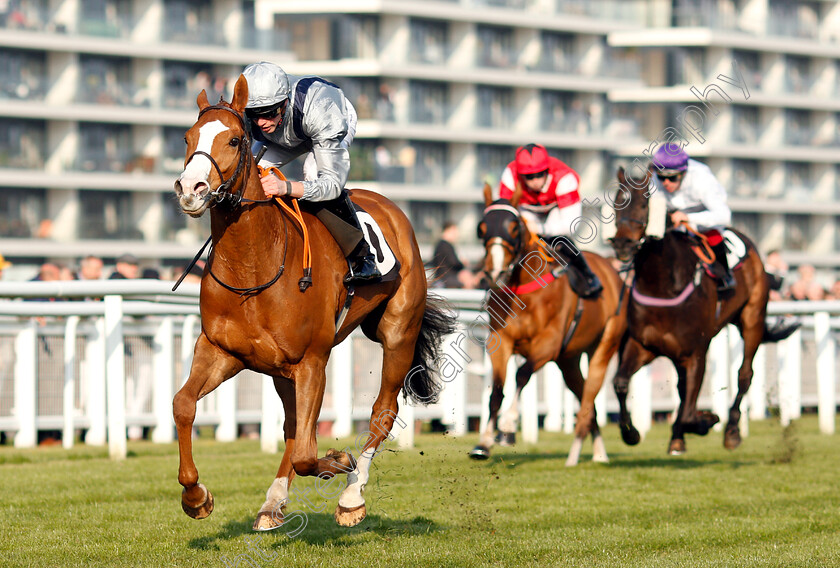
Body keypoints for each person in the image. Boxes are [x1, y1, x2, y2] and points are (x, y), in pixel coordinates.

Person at [241, 61, 380, 285]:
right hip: (286, 131)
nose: (261, 122)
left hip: (328, 121)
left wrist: (285, 187)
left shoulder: (321, 111)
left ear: (284, 102)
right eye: (254, 115)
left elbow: (332, 184)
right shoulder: (252, 114)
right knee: (251, 173)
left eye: (268, 113)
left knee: (312, 171)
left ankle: (362, 255)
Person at [497, 143, 602, 298]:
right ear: (520, 175)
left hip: (556, 211)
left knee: (559, 240)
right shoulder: (509, 174)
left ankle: (587, 276)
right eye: (529, 176)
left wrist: (540, 229)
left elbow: (570, 225)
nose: (535, 181)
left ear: (547, 170)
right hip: (526, 210)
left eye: (539, 174)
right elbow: (504, 212)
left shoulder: (565, 178)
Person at [650, 144, 735, 293]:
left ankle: (725, 276)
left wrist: (688, 218)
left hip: (704, 219)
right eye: (661, 177)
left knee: (712, 235)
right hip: (674, 219)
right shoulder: (655, 180)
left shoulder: (701, 179)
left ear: (683, 173)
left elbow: (724, 215)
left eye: (672, 178)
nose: (666, 183)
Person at [430, 221, 477, 289]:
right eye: (454, 232)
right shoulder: (445, 245)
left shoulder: (440, 245)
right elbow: (454, 263)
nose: (456, 235)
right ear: (448, 230)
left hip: (443, 278)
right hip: (446, 279)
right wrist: (463, 264)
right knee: (468, 280)